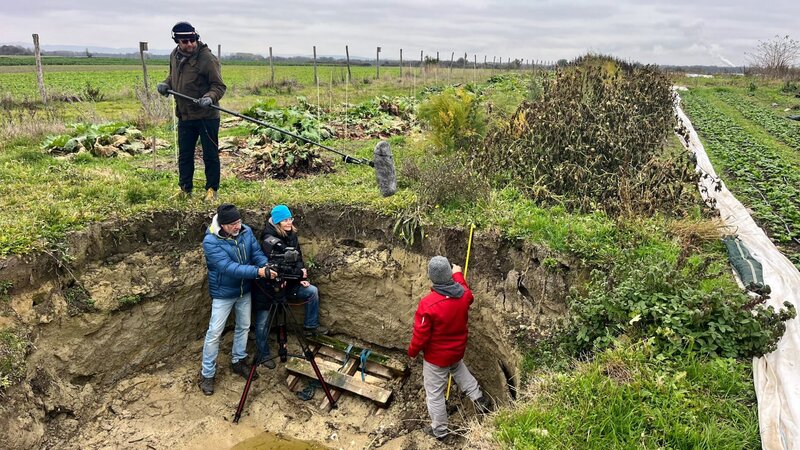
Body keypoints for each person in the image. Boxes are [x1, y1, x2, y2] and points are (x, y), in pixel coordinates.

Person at [408, 256, 493, 440]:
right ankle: (479, 399)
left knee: (435, 394)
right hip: (456, 351)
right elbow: (467, 292)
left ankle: (440, 432)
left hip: (436, 359)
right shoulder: (463, 295)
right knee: (458, 369)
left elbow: (420, 335)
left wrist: (413, 352)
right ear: (450, 274)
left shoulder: (428, 304)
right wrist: (459, 275)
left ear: (431, 277)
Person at [199, 203, 273, 396]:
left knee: (244, 326)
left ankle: (238, 361)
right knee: (214, 332)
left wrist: (266, 265)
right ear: (222, 225)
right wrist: (259, 272)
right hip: (223, 293)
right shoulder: (210, 242)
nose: (237, 226)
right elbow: (228, 267)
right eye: (232, 224)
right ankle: (207, 374)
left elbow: (256, 253)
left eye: (239, 221)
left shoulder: (246, 231)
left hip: (244, 290)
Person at [156, 21, 226, 202]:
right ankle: (185, 189)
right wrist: (166, 84)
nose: (189, 44)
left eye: (192, 40)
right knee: (185, 154)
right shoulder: (175, 56)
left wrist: (210, 98)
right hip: (185, 114)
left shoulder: (207, 59)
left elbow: (219, 86)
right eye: (185, 41)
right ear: (177, 42)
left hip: (206, 116)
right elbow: (174, 77)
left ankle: (212, 189)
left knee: (210, 155)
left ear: (196, 37)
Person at [252, 205, 328, 368]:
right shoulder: (269, 240)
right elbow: (278, 267)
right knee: (262, 323)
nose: (289, 222)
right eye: (285, 220)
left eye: (290, 219)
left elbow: (296, 257)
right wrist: (298, 274)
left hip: (287, 284)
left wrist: (300, 273)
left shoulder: (291, 234)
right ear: (278, 222)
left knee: (311, 291)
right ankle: (263, 354)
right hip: (266, 288)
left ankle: (310, 328)